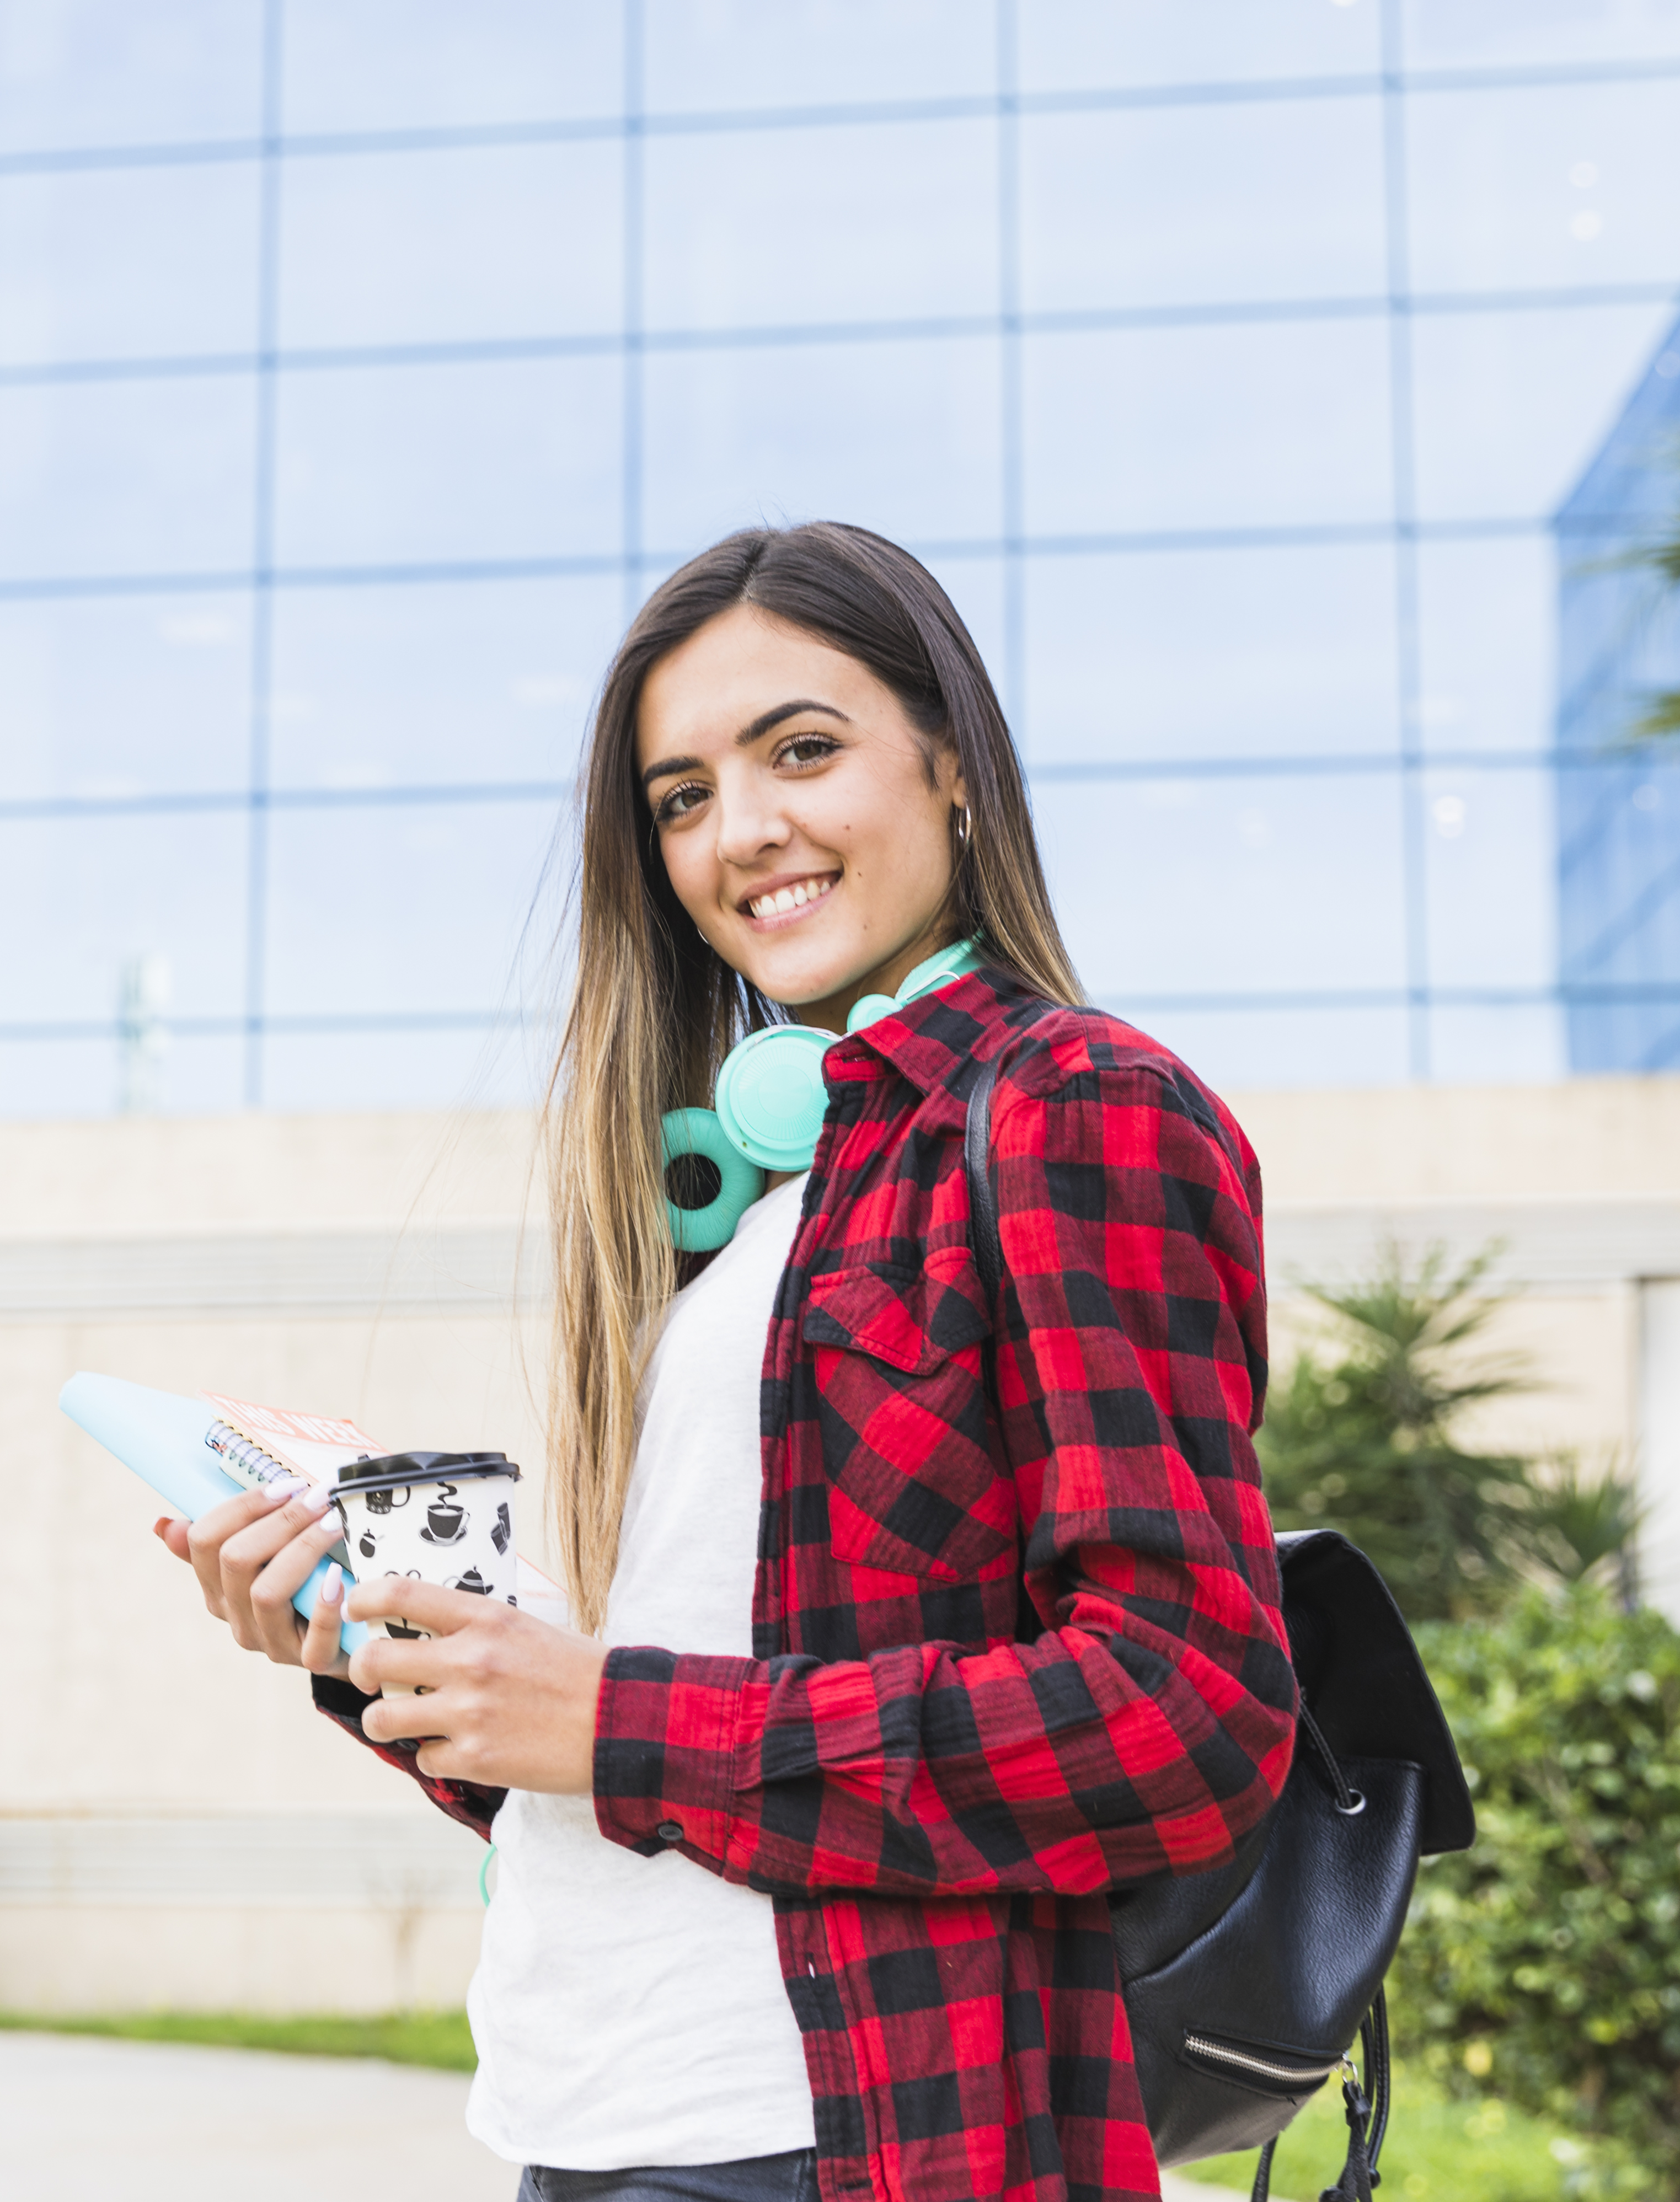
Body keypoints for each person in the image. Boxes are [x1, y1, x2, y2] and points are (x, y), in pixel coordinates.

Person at [156, 523, 1295, 2202]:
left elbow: (1179, 1711)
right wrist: (402, 1662)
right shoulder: (756, 1215)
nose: (740, 829)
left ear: (956, 767)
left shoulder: (1069, 1107)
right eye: (681, 795)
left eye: (802, 750)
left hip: (845, 2137)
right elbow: (674, 1760)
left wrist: (612, 1715)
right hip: (591, 2109)